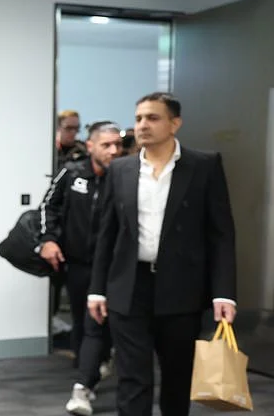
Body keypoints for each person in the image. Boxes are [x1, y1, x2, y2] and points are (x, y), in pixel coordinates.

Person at [88, 92, 236, 416]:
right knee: (132, 378)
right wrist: (97, 289)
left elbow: (221, 234)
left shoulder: (204, 165)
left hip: (181, 288)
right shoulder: (121, 170)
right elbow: (107, 235)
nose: (142, 125)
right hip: (129, 287)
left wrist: (224, 293)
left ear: (175, 123)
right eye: (139, 118)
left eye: (152, 118)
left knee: (176, 378)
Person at [38, 121, 122, 415]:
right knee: (82, 320)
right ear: (91, 146)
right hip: (77, 264)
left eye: (117, 145)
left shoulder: (124, 176)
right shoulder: (72, 172)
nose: (113, 150)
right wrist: (48, 240)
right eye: (106, 145)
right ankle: (87, 372)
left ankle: (85, 382)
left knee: (99, 323)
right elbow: (48, 206)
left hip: (114, 267)